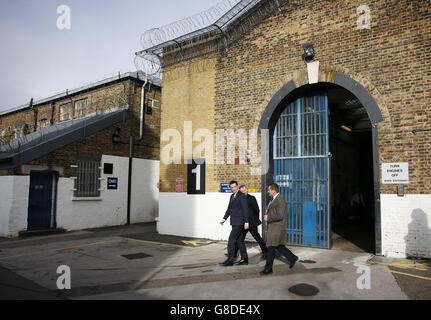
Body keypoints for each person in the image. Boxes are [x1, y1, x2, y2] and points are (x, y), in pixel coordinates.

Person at [261, 183, 298, 275]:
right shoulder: (274, 199)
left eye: (269, 190)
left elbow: (280, 215)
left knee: (270, 247)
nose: (268, 191)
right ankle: (292, 258)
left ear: (274, 190)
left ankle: (268, 268)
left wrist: (268, 217)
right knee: (279, 246)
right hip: (274, 226)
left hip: (276, 227)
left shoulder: (280, 199)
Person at [231, 185, 267, 259]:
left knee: (257, 238)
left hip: (252, 222)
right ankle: (233, 254)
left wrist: (254, 219)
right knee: (239, 239)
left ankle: (266, 252)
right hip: (243, 223)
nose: (244, 191)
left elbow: (257, 210)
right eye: (242, 191)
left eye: (245, 190)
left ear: (247, 190)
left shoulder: (252, 198)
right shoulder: (239, 198)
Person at [220, 180, 250, 266]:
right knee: (240, 241)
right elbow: (229, 209)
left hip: (239, 222)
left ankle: (230, 260)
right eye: (231, 187)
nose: (233, 189)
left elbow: (245, 209)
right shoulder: (232, 196)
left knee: (231, 241)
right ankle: (244, 259)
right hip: (234, 222)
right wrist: (224, 218)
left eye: (234, 187)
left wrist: (246, 222)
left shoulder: (242, 196)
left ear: (237, 186)